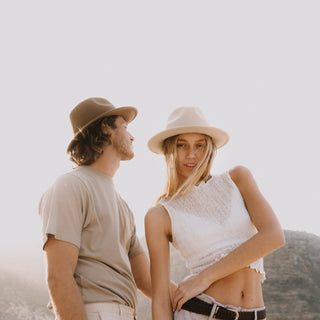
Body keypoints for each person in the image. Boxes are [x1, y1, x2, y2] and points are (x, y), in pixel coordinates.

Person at [145, 106, 285, 320]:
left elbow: (273, 236)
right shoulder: (160, 215)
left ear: (209, 148)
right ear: (169, 150)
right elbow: (161, 297)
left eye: (199, 145)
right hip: (200, 314)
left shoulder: (238, 179)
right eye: (182, 145)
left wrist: (204, 278)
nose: (191, 154)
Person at [39, 97, 152, 320]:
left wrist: (203, 295)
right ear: (105, 127)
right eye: (125, 127)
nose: (132, 136)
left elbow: (147, 280)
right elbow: (58, 277)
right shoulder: (70, 185)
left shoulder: (123, 205)